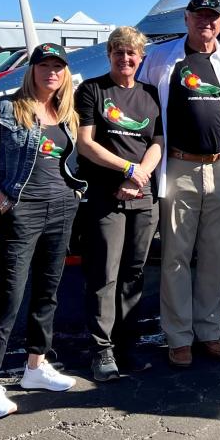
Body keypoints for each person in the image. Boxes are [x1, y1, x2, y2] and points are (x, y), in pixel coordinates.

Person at [138, 0, 220, 368]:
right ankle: (178, 336)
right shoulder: (160, 57)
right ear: (186, 19)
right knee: (176, 255)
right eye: (199, 15)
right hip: (180, 167)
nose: (206, 21)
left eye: (212, 16)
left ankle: (208, 332)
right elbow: (141, 110)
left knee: (215, 255)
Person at [0, 42, 84, 419]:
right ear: (31, 69)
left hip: (62, 208)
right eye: (44, 65)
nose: (52, 72)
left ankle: (36, 365)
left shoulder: (66, 113)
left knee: (48, 293)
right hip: (22, 210)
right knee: (10, 296)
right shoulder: (5, 109)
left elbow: (73, 160)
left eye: (58, 66)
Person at [76, 26, 163, 382]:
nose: (125, 59)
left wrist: (140, 174)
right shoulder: (92, 90)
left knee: (133, 275)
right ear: (109, 55)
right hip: (105, 197)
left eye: (132, 54)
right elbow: (85, 143)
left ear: (140, 58)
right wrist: (126, 170)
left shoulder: (151, 94)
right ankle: (101, 352)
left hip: (143, 197)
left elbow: (157, 142)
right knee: (104, 275)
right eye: (118, 53)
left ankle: (128, 348)